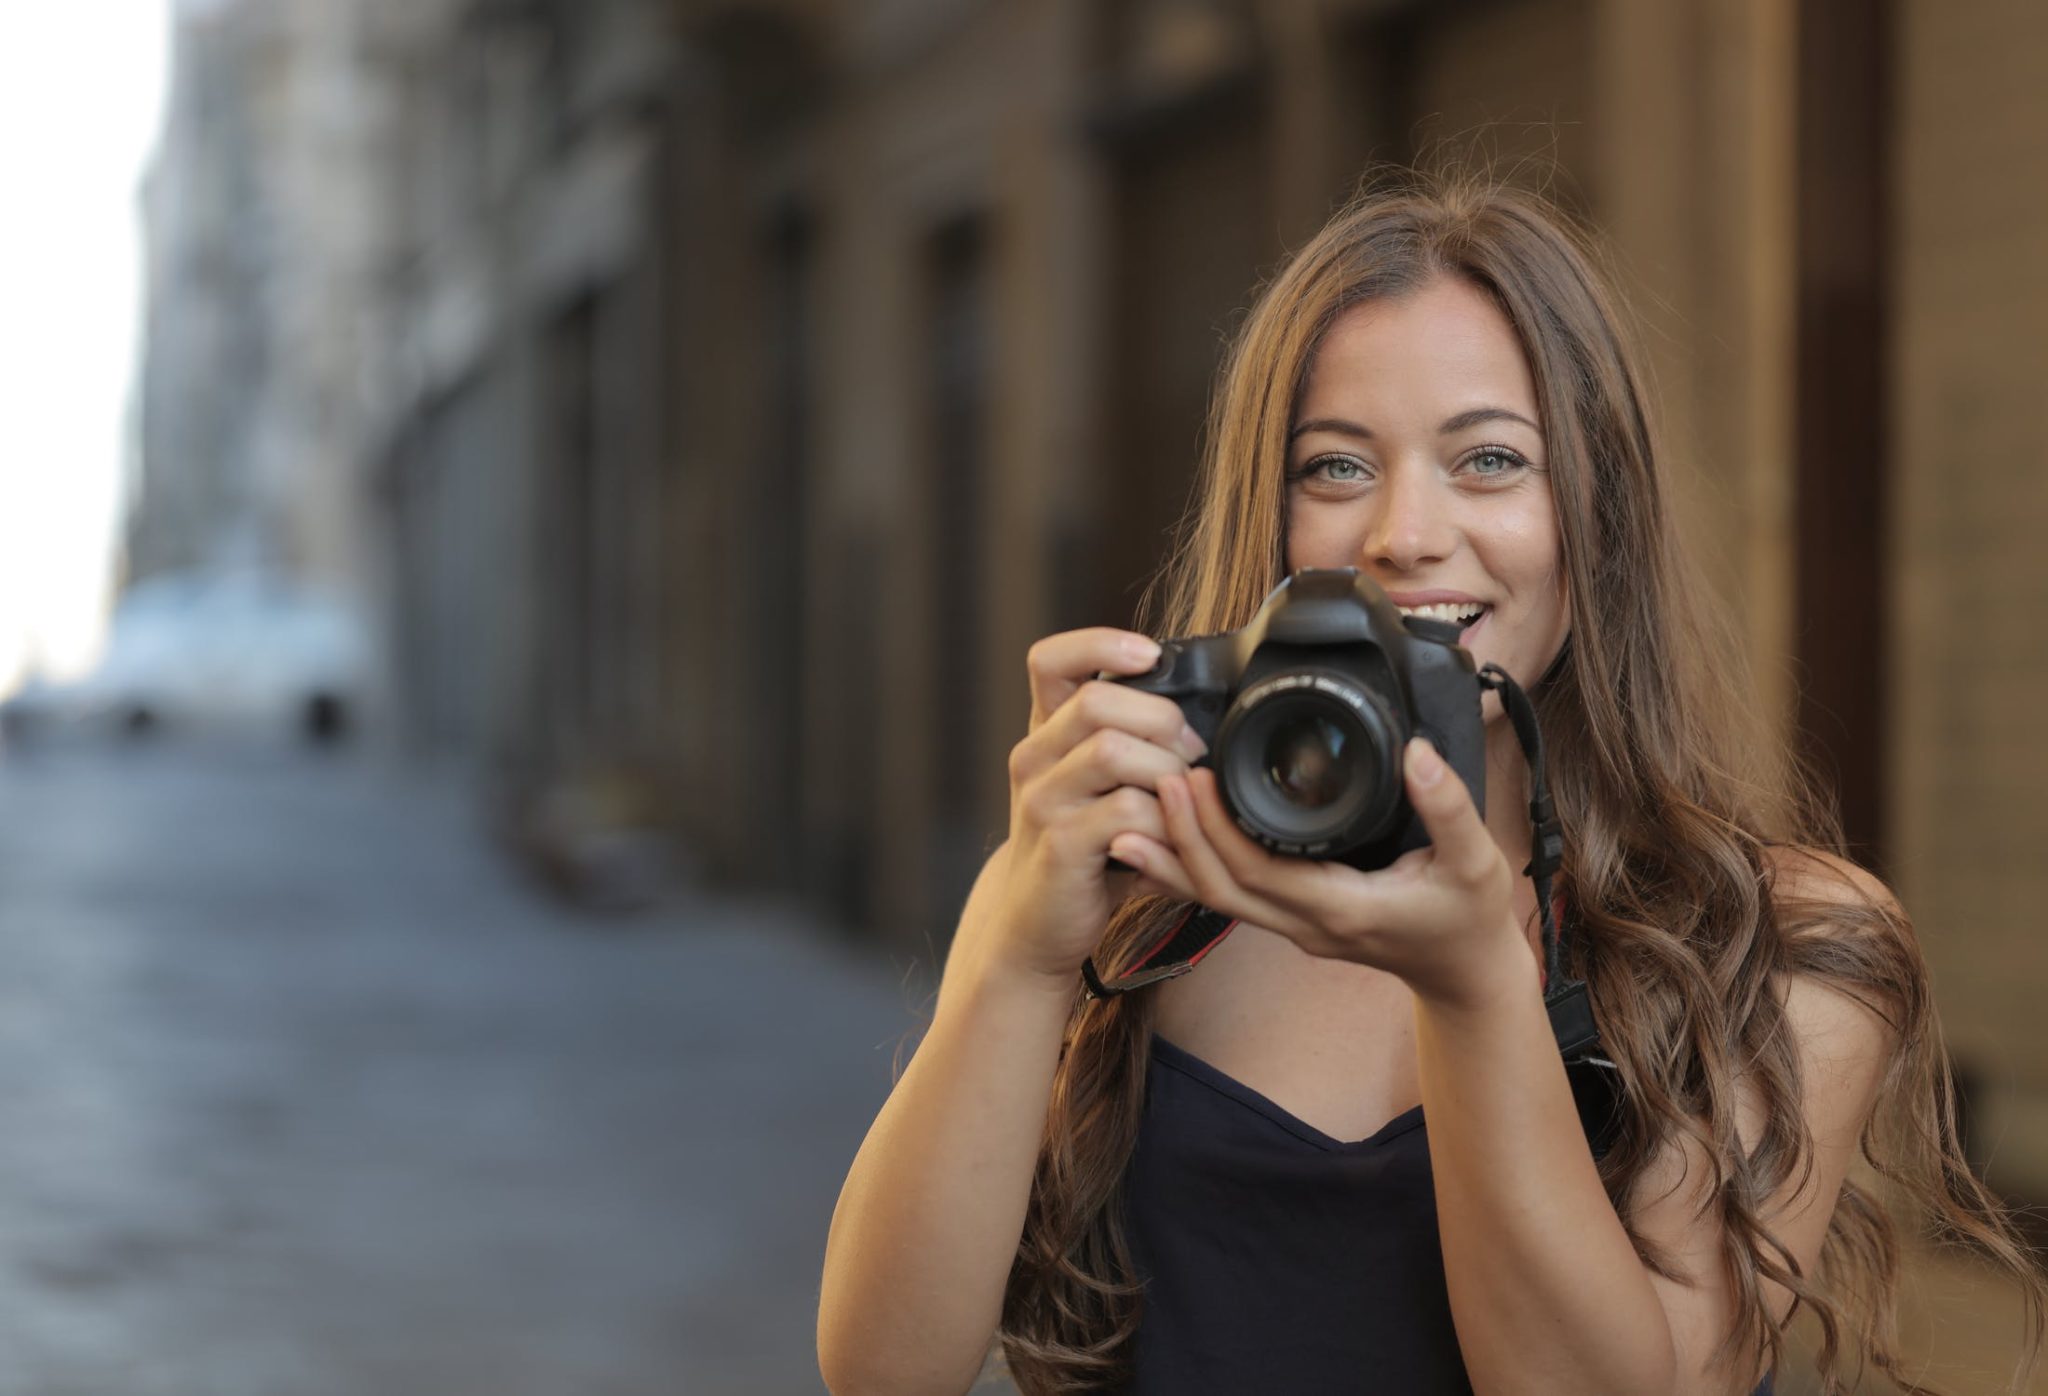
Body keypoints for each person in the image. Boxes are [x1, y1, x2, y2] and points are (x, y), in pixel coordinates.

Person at [815, 172, 2047, 1395]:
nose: (1403, 531)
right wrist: (1015, 948)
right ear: (1274, 517)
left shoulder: (1776, 943)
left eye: (1490, 459)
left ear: (1595, 516)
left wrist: (1472, 990)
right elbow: (881, 1368)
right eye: (1336, 468)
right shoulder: (1157, 885)